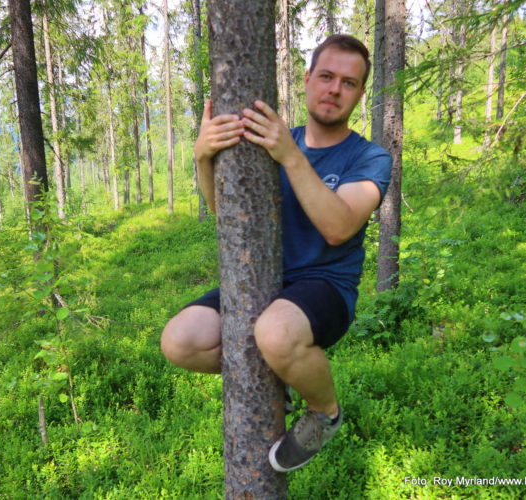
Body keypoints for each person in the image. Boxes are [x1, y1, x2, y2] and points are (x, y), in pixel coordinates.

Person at [161, 34, 392, 472]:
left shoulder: (370, 157)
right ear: (306, 80)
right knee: (180, 342)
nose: (334, 89)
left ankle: (324, 413)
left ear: (360, 93)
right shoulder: (275, 139)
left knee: (276, 334)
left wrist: (290, 156)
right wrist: (203, 158)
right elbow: (223, 211)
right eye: (326, 76)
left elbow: (339, 227)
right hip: (261, 280)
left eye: (348, 82)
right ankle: (282, 372)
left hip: (325, 287)